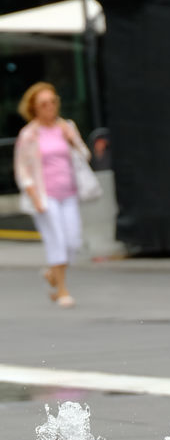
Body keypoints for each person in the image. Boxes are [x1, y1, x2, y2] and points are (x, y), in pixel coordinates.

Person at [14, 82, 91, 308]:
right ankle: (62, 290)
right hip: (45, 197)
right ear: (34, 108)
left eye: (53, 101)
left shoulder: (66, 127)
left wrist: (72, 139)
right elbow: (22, 171)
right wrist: (35, 198)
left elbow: (84, 155)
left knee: (73, 240)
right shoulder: (29, 134)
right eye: (44, 104)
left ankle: (52, 273)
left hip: (69, 193)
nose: (50, 107)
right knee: (56, 239)